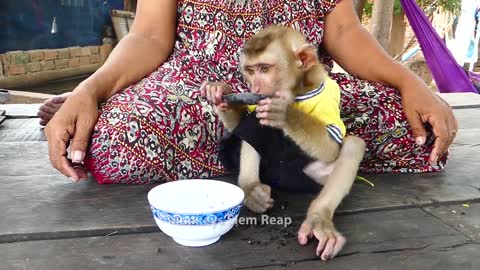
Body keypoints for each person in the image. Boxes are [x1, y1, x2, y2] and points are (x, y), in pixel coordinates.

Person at [39, 0, 458, 185]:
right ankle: (283, 159)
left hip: (300, 93)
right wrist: (90, 89)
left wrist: (409, 82)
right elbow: (148, 35)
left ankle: (258, 154)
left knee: (417, 133)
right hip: (198, 93)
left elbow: (346, 30)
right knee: (114, 141)